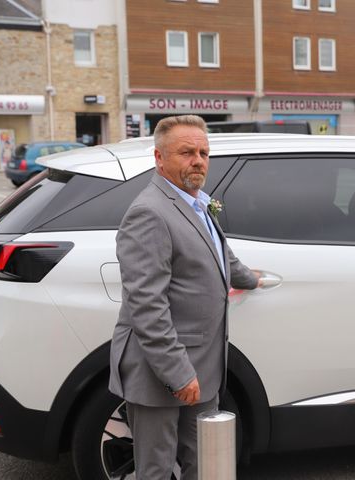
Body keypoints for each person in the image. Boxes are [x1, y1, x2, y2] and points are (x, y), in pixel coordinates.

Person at [109, 114, 261, 479]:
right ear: (159, 158)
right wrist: (178, 374)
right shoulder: (149, 212)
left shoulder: (196, 202)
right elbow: (147, 306)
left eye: (204, 153)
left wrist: (249, 279)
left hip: (203, 367)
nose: (198, 160)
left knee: (203, 461)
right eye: (186, 152)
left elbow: (215, 253)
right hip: (162, 372)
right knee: (157, 469)